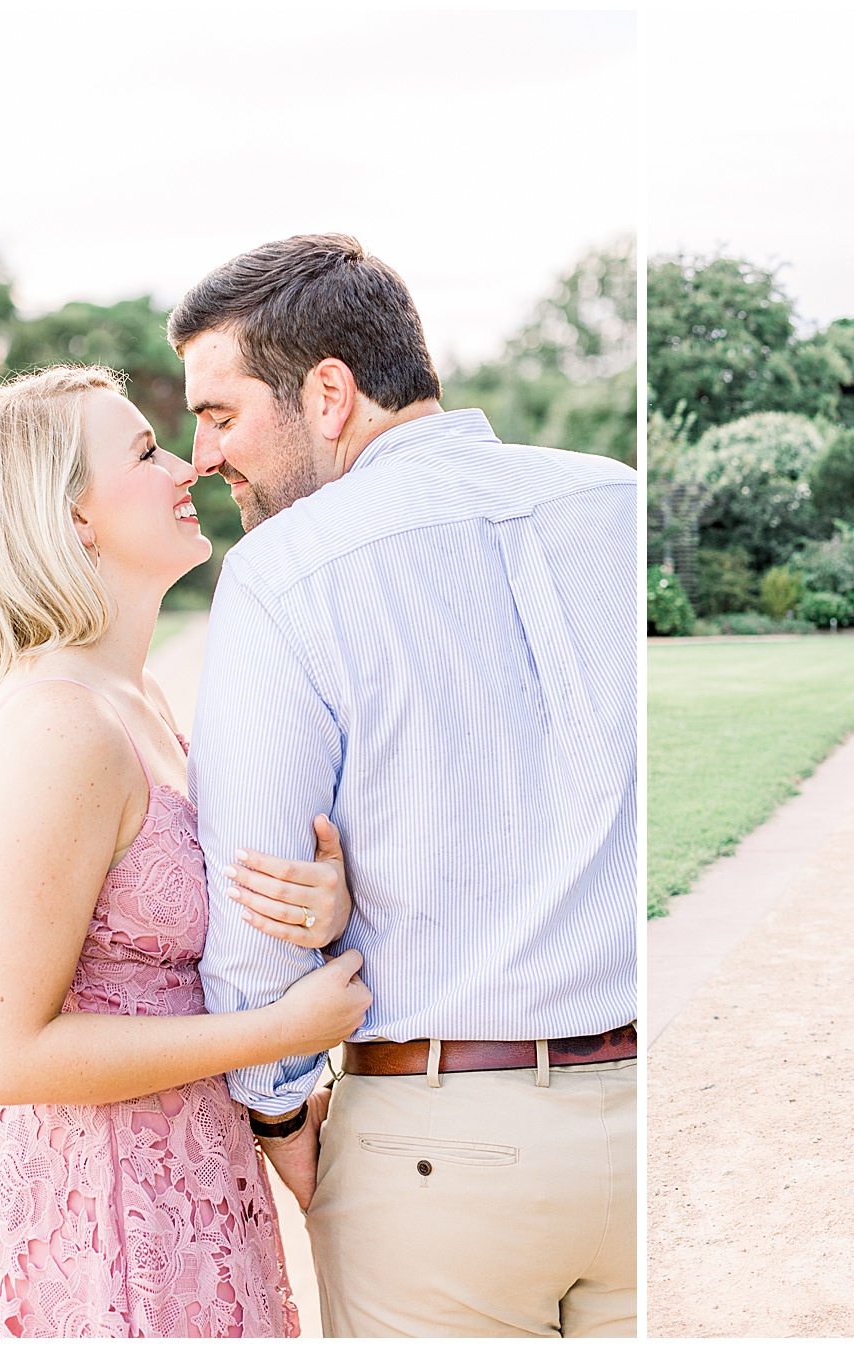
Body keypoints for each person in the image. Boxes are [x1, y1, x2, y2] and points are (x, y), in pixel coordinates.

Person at [171, 234, 637, 1337]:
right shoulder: (616, 500)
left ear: (327, 391)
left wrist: (284, 1117)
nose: (200, 456)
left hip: (437, 1154)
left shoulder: (286, 571)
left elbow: (258, 902)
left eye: (221, 414)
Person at [0, 365, 373, 1337]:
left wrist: (318, 902)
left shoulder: (139, 701)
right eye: (144, 450)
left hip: (190, 1189)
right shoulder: (60, 729)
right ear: (72, 515)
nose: (185, 465)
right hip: (95, 1218)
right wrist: (278, 1031)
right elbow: (2, 1053)